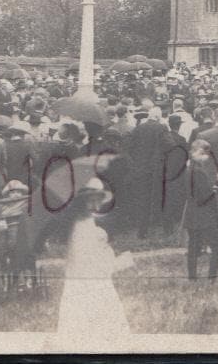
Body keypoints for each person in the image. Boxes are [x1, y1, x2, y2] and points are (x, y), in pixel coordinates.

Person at [57, 177, 131, 337]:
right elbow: (95, 267)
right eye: (91, 201)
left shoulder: (86, 223)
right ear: (81, 202)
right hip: (88, 285)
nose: (96, 206)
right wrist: (123, 261)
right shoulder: (81, 227)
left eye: (98, 201)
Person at [128, 106, 177, 238]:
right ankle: (167, 229)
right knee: (162, 199)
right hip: (157, 169)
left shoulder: (138, 128)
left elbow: (130, 147)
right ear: (159, 117)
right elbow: (171, 145)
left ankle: (142, 231)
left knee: (143, 199)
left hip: (141, 168)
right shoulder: (161, 128)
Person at [183, 139, 218, 280]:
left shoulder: (188, 170)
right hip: (205, 216)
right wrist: (213, 195)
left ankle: (192, 278)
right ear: (196, 153)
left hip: (191, 214)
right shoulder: (199, 172)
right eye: (203, 153)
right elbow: (206, 196)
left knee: (193, 248)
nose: (206, 157)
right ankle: (212, 277)